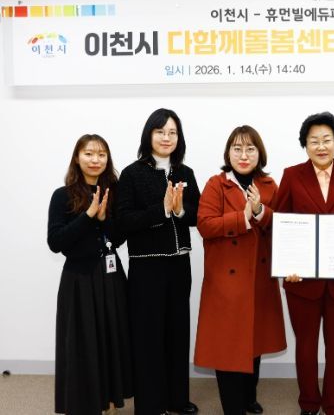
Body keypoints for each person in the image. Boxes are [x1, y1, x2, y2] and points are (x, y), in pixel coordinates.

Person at [275, 111, 334, 415]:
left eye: (327, 139)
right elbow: (281, 223)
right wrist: (287, 264)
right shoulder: (292, 175)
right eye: (314, 141)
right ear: (305, 145)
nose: (321, 146)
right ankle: (309, 404)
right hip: (301, 280)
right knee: (305, 345)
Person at [194, 125, 286, 415]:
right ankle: (234, 407)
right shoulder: (216, 184)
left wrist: (260, 212)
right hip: (226, 281)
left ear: (260, 153)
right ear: (228, 153)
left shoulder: (269, 185)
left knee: (254, 342)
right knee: (228, 346)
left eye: (250, 149)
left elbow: (284, 226)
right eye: (237, 149)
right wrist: (242, 217)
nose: (243, 155)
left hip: (259, 278)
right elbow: (205, 225)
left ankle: (248, 397)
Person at [116, 109, 201, 415]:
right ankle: (151, 405)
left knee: (177, 333)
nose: (167, 138)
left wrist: (180, 211)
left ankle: (177, 399)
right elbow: (124, 220)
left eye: (172, 132)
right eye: (160, 131)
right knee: (148, 336)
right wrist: (162, 210)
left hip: (179, 265)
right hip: (147, 266)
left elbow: (198, 214)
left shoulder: (185, 172)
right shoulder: (132, 173)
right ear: (148, 135)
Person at [48, 134, 133, 414]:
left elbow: (119, 238)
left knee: (111, 339)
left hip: (111, 278)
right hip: (79, 280)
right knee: (82, 343)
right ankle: (85, 402)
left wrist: (105, 220)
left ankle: (110, 401)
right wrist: (88, 216)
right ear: (77, 158)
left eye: (101, 154)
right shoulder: (62, 195)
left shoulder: (115, 192)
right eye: (88, 153)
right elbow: (56, 242)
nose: (95, 160)